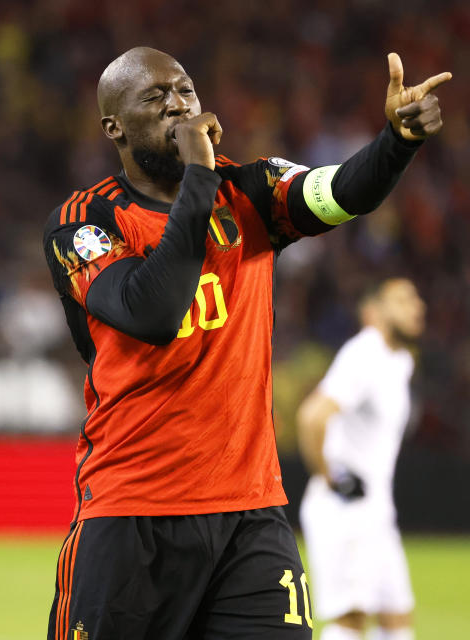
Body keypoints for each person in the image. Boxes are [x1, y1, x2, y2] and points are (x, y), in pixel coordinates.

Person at [42, 47, 449, 640]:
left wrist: (396, 142)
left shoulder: (249, 190)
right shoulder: (85, 222)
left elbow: (338, 191)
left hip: (249, 514)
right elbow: (153, 311)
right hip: (133, 512)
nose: (179, 106)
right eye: (156, 99)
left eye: (186, 91)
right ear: (114, 127)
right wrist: (200, 178)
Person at [297, 279, 425, 640]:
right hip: (346, 506)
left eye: (415, 298)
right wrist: (330, 477)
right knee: (350, 620)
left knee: (397, 615)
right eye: (402, 299)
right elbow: (312, 417)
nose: (417, 306)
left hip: (377, 511)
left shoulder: (398, 360)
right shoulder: (364, 353)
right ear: (373, 312)